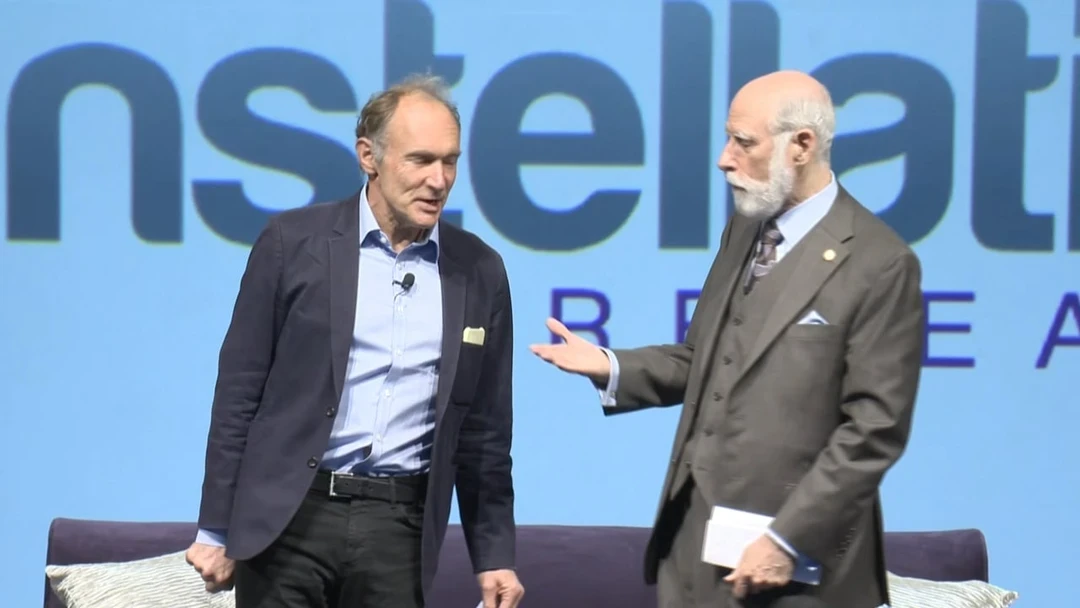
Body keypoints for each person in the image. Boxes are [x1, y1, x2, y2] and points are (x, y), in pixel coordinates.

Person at [530, 69, 924, 608]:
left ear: (801, 146)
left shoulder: (880, 263)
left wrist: (788, 539)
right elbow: (706, 360)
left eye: (743, 142)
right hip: (696, 548)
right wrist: (610, 365)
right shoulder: (746, 229)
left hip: (794, 568)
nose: (724, 158)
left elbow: (874, 430)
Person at [185, 74, 524, 608]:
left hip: (399, 530)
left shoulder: (479, 270)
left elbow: (485, 432)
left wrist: (494, 554)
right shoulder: (292, 243)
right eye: (420, 160)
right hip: (289, 520)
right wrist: (217, 527)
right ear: (369, 156)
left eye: (450, 161)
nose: (438, 180)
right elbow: (239, 394)